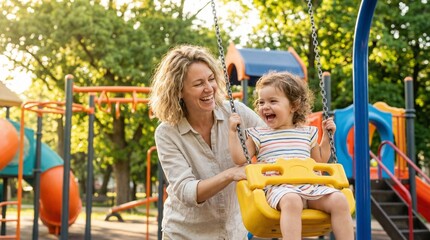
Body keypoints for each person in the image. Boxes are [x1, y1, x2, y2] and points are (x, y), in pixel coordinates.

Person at [149, 44, 265, 240]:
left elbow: (270, 140)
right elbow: (187, 191)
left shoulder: (236, 112)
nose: (209, 88)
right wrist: (230, 174)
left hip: (233, 232)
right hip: (186, 234)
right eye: (198, 84)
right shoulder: (167, 133)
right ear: (178, 91)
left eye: (211, 79)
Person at [228, 71, 354, 240]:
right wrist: (232, 132)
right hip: (280, 189)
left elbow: (319, 160)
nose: (265, 106)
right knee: (292, 200)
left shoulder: (307, 132)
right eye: (261, 102)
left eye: (273, 101)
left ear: (293, 105)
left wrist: (326, 137)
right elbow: (239, 159)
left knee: (339, 200)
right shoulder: (259, 134)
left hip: (311, 187)